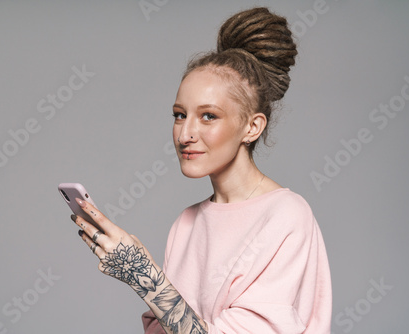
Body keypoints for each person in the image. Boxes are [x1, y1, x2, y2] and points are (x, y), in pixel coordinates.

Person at [70, 6, 332, 333]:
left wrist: (141, 273)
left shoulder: (286, 217)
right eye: (180, 114)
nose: (185, 133)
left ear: (252, 127)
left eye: (208, 116)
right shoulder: (187, 224)